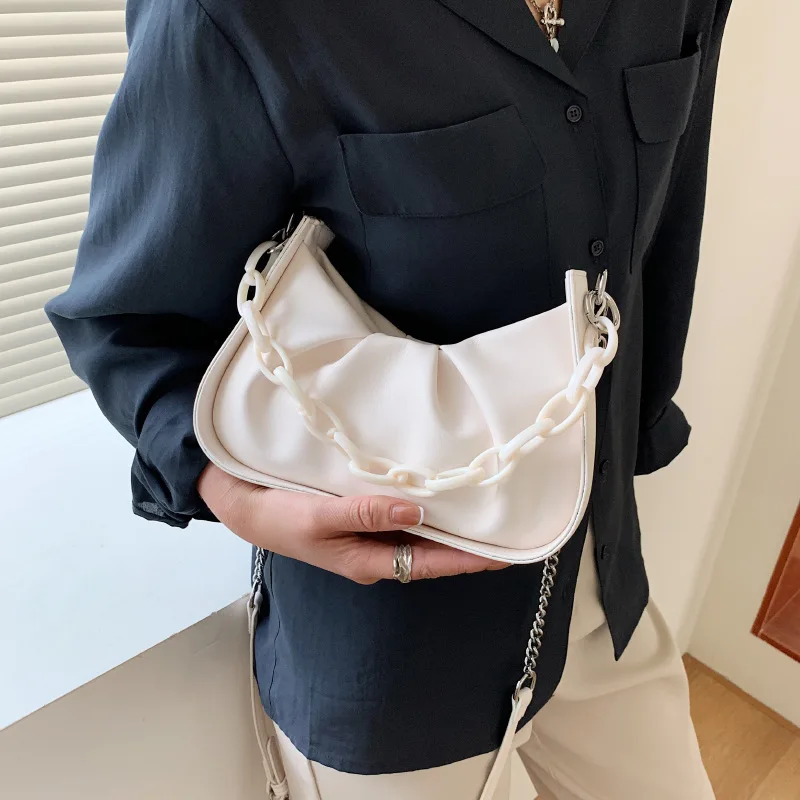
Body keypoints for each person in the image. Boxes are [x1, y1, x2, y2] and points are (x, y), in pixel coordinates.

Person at [47, 0, 733, 797]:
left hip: (597, 583)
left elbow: (665, 228)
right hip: (392, 652)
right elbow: (126, 322)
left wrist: (641, 424)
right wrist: (230, 493)